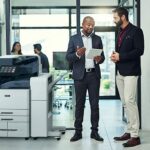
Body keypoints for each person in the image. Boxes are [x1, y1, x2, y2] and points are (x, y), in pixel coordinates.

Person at [66, 16, 105, 142]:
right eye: (88, 24)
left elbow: (102, 57)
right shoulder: (74, 39)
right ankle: (78, 132)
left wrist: (100, 59)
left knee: (94, 105)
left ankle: (95, 132)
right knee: (79, 105)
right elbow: (68, 57)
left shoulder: (98, 39)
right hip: (79, 76)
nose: (90, 27)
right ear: (83, 24)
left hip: (94, 76)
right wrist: (77, 54)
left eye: (92, 25)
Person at [110, 7, 144, 147]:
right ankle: (129, 131)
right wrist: (115, 56)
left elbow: (139, 51)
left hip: (131, 72)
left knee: (130, 101)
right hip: (120, 71)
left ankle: (135, 136)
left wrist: (121, 56)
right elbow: (120, 50)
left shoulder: (136, 31)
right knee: (125, 103)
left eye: (115, 18)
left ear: (123, 17)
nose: (114, 20)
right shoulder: (119, 31)